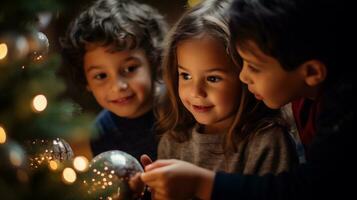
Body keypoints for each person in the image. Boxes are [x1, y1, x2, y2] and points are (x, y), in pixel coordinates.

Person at [140, 0, 355, 199]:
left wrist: (198, 184)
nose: (244, 76)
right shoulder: (173, 138)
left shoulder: (336, 116)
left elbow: (306, 188)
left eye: (252, 66)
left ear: (312, 72)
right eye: (185, 75)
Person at [60, 0, 168, 162]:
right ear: (87, 81)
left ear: (154, 61)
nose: (118, 86)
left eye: (130, 69)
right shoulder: (101, 132)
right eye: (101, 76)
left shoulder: (178, 108)